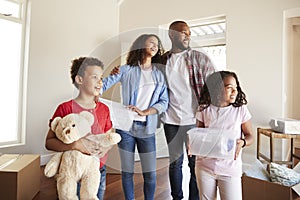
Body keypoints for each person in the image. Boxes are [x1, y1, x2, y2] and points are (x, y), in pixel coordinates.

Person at [101, 34, 169, 200]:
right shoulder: (126, 70)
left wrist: (145, 112)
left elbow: (164, 101)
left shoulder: (160, 74)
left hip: (147, 128)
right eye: (151, 42)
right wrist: (91, 87)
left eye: (157, 44)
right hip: (126, 128)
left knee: (150, 173)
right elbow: (103, 85)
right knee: (127, 171)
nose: (154, 46)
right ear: (141, 45)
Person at [158, 21, 216, 200]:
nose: (188, 36)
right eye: (184, 32)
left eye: (189, 33)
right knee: (175, 163)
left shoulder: (200, 58)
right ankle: (176, 197)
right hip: (171, 121)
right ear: (172, 34)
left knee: (195, 164)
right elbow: (141, 72)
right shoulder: (162, 60)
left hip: (195, 121)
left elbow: (213, 88)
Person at [45, 57, 113, 200]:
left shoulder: (104, 109)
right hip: (71, 171)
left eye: (101, 77)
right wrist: (76, 145)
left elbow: (110, 135)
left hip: (97, 170)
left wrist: (105, 148)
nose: (100, 81)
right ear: (80, 80)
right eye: (95, 77)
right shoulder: (64, 108)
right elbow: (49, 142)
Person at [191, 71, 254, 200]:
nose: (235, 92)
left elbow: (250, 136)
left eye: (236, 88)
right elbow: (199, 134)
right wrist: (193, 143)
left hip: (230, 168)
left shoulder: (240, 110)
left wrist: (243, 142)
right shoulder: (204, 109)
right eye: (230, 88)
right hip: (205, 167)